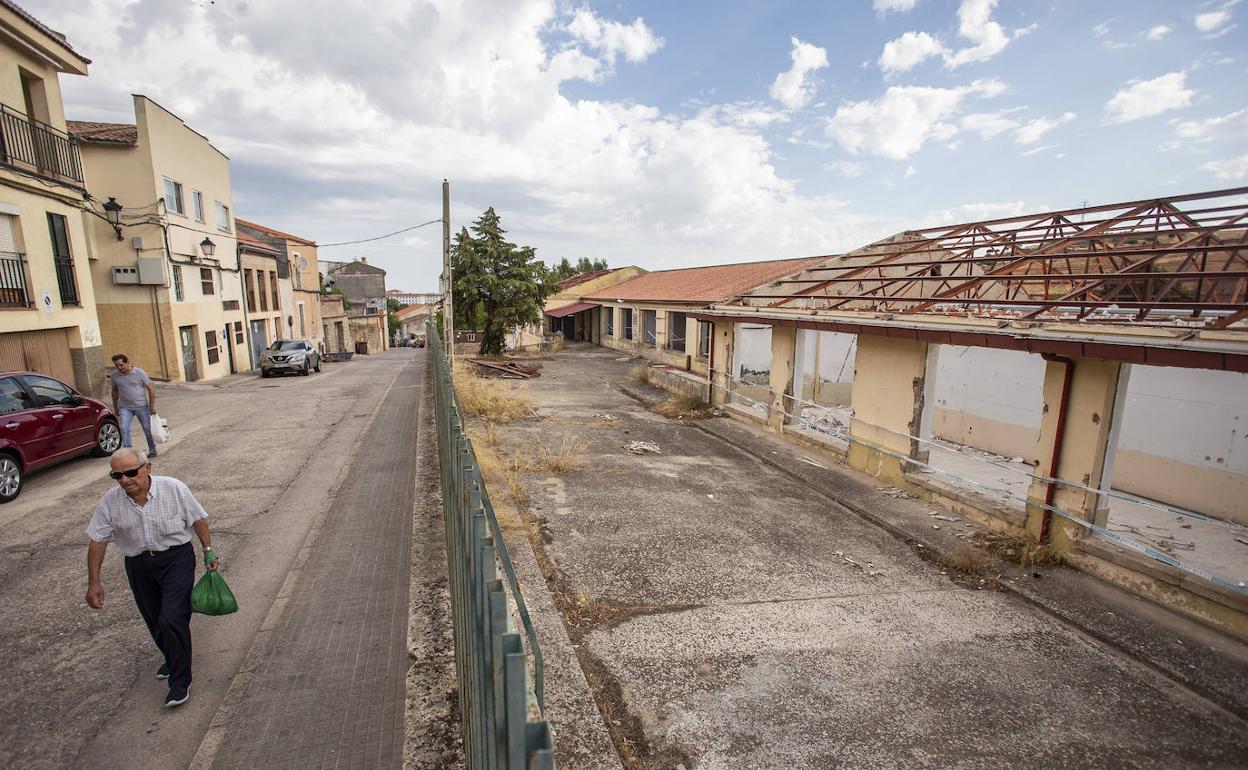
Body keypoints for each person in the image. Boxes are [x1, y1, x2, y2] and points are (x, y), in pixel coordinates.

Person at [84, 448, 219, 708]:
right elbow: (97, 540)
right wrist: (94, 582)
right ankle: (172, 656)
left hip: (175, 558)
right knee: (154, 618)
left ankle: (180, 682)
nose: (124, 480)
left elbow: (198, 519)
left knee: (172, 616)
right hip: (138, 564)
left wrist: (208, 551)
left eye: (131, 473)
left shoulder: (173, 488)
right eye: (117, 475)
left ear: (147, 469)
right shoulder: (111, 501)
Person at [110, 354, 158, 457]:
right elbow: (114, 392)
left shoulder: (139, 373)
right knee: (124, 428)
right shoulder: (114, 375)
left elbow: (151, 389)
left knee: (147, 428)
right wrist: (115, 408)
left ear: (127, 362)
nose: (119, 368)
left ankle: (152, 449)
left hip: (141, 406)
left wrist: (151, 406)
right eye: (116, 366)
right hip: (125, 407)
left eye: (121, 365)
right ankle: (128, 452)